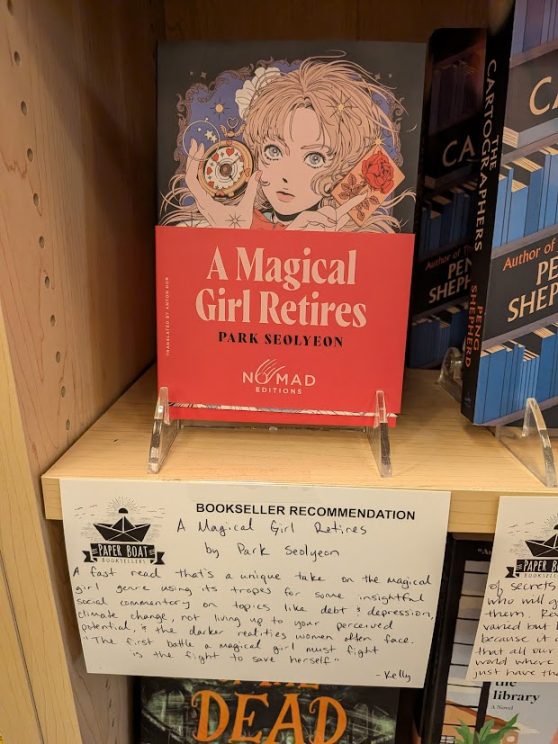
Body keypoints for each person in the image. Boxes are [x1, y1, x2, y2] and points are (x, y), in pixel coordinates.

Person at [161, 56, 412, 232]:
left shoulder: (351, 233)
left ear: (343, 168)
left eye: (315, 158)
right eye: (274, 151)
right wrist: (232, 236)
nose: (287, 176)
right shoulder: (232, 221)